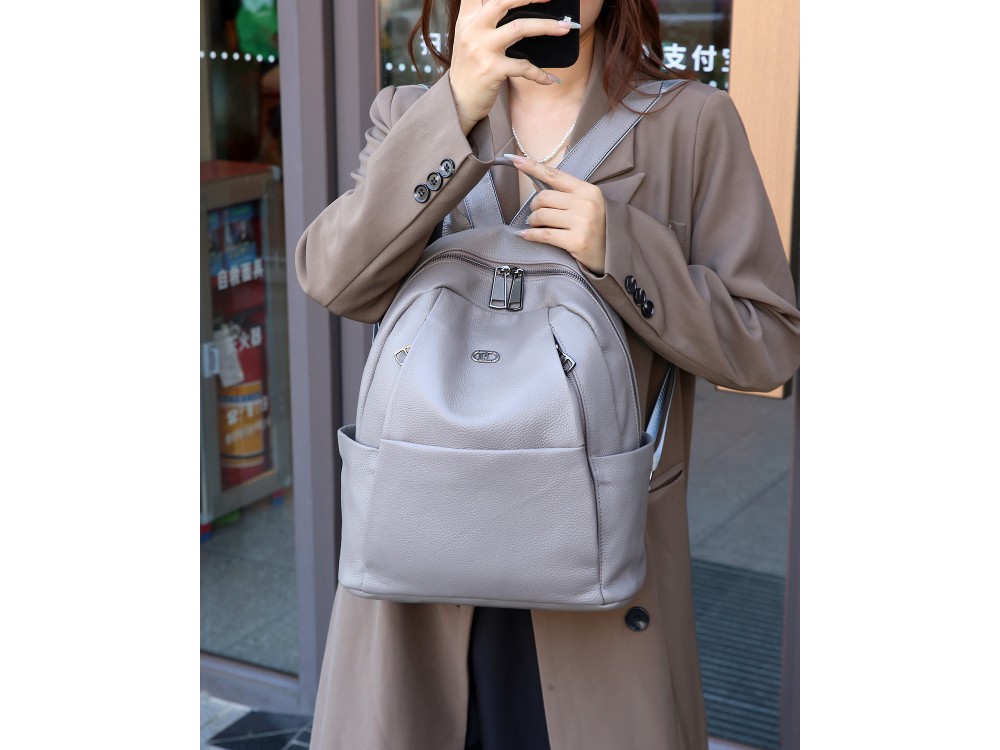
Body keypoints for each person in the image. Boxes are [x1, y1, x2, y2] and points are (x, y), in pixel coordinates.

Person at [295, 0, 800, 747]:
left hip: (598, 570)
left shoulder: (691, 124)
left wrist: (620, 249)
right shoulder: (411, 113)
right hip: (418, 565)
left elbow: (767, 345)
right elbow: (333, 278)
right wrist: (453, 111)